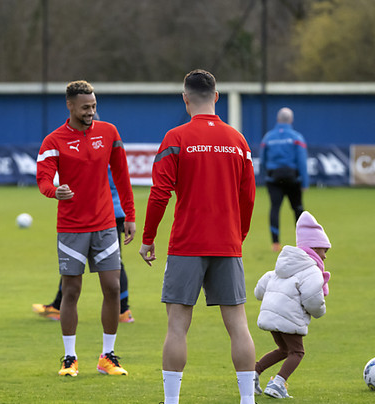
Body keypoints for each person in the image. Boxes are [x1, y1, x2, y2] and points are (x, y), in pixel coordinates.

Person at [139, 69, 257, 404]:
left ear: (185, 98)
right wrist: (238, 235)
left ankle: (171, 401)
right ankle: (247, 400)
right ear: (216, 97)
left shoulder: (175, 138)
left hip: (187, 244)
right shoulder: (238, 141)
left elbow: (159, 193)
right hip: (227, 243)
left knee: (177, 325)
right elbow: (248, 197)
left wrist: (148, 238)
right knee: (238, 325)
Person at [36, 80, 136, 377]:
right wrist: (55, 191)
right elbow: (43, 179)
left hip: (105, 224)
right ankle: (69, 357)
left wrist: (129, 215)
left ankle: (108, 356)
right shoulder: (53, 140)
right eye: (85, 107)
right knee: (71, 291)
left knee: (113, 288)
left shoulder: (109, 133)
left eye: (93, 106)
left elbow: (122, 175)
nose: (91, 111)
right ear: (70, 106)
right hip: (72, 228)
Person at [32, 168, 134, 323]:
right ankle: (122, 310)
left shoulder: (99, 156)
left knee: (77, 262)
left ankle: (121, 310)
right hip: (114, 211)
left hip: (99, 213)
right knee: (109, 262)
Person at [253, 211, 330, 399]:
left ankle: (253, 373)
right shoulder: (311, 270)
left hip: (271, 315)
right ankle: (278, 383)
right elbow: (313, 298)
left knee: (284, 350)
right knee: (297, 352)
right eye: (324, 251)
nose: (325, 257)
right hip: (288, 317)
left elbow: (260, 288)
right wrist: (320, 311)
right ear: (314, 248)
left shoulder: (284, 265)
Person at [260, 107, 309, 252]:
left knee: (275, 208)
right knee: (298, 209)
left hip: (273, 178)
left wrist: (267, 173)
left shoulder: (268, 137)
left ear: (277, 119)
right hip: (293, 178)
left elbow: (262, 160)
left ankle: (275, 243)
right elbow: (302, 161)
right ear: (291, 120)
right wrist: (305, 182)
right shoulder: (296, 137)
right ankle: (303, 243)